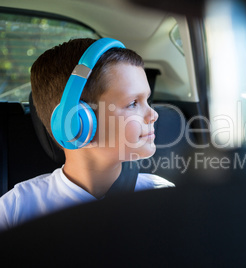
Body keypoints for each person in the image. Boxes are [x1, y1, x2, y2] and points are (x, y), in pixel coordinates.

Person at [0, 38, 174, 231]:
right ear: (76, 122)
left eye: (147, 100)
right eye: (133, 103)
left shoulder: (163, 196)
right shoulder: (15, 210)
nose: (154, 115)